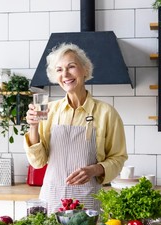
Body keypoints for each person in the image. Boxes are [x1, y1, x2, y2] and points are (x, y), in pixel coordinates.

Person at [24, 43, 128, 214]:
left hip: (88, 203)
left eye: (71, 67)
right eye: (59, 69)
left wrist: (95, 169)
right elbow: (38, 162)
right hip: (51, 200)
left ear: (85, 70)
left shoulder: (106, 113)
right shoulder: (48, 110)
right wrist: (33, 127)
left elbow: (118, 158)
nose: (65, 74)